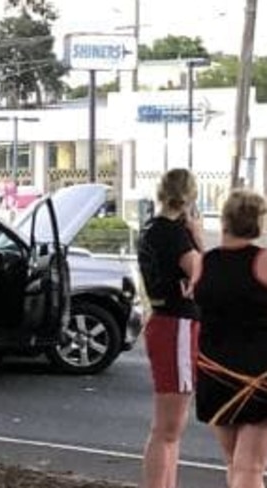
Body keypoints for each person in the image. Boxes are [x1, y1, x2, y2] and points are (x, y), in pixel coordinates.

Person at [194, 189, 267, 488]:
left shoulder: (203, 262)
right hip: (257, 372)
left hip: (214, 371)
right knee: (250, 466)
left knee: (235, 462)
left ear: (224, 220)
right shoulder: (262, 261)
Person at [137, 168, 204, 488]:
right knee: (168, 428)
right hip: (177, 324)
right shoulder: (176, 234)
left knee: (169, 429)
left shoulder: (150, 228)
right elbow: (200, 276)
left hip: (164, 319)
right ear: (189, 196)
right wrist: (199, 237)